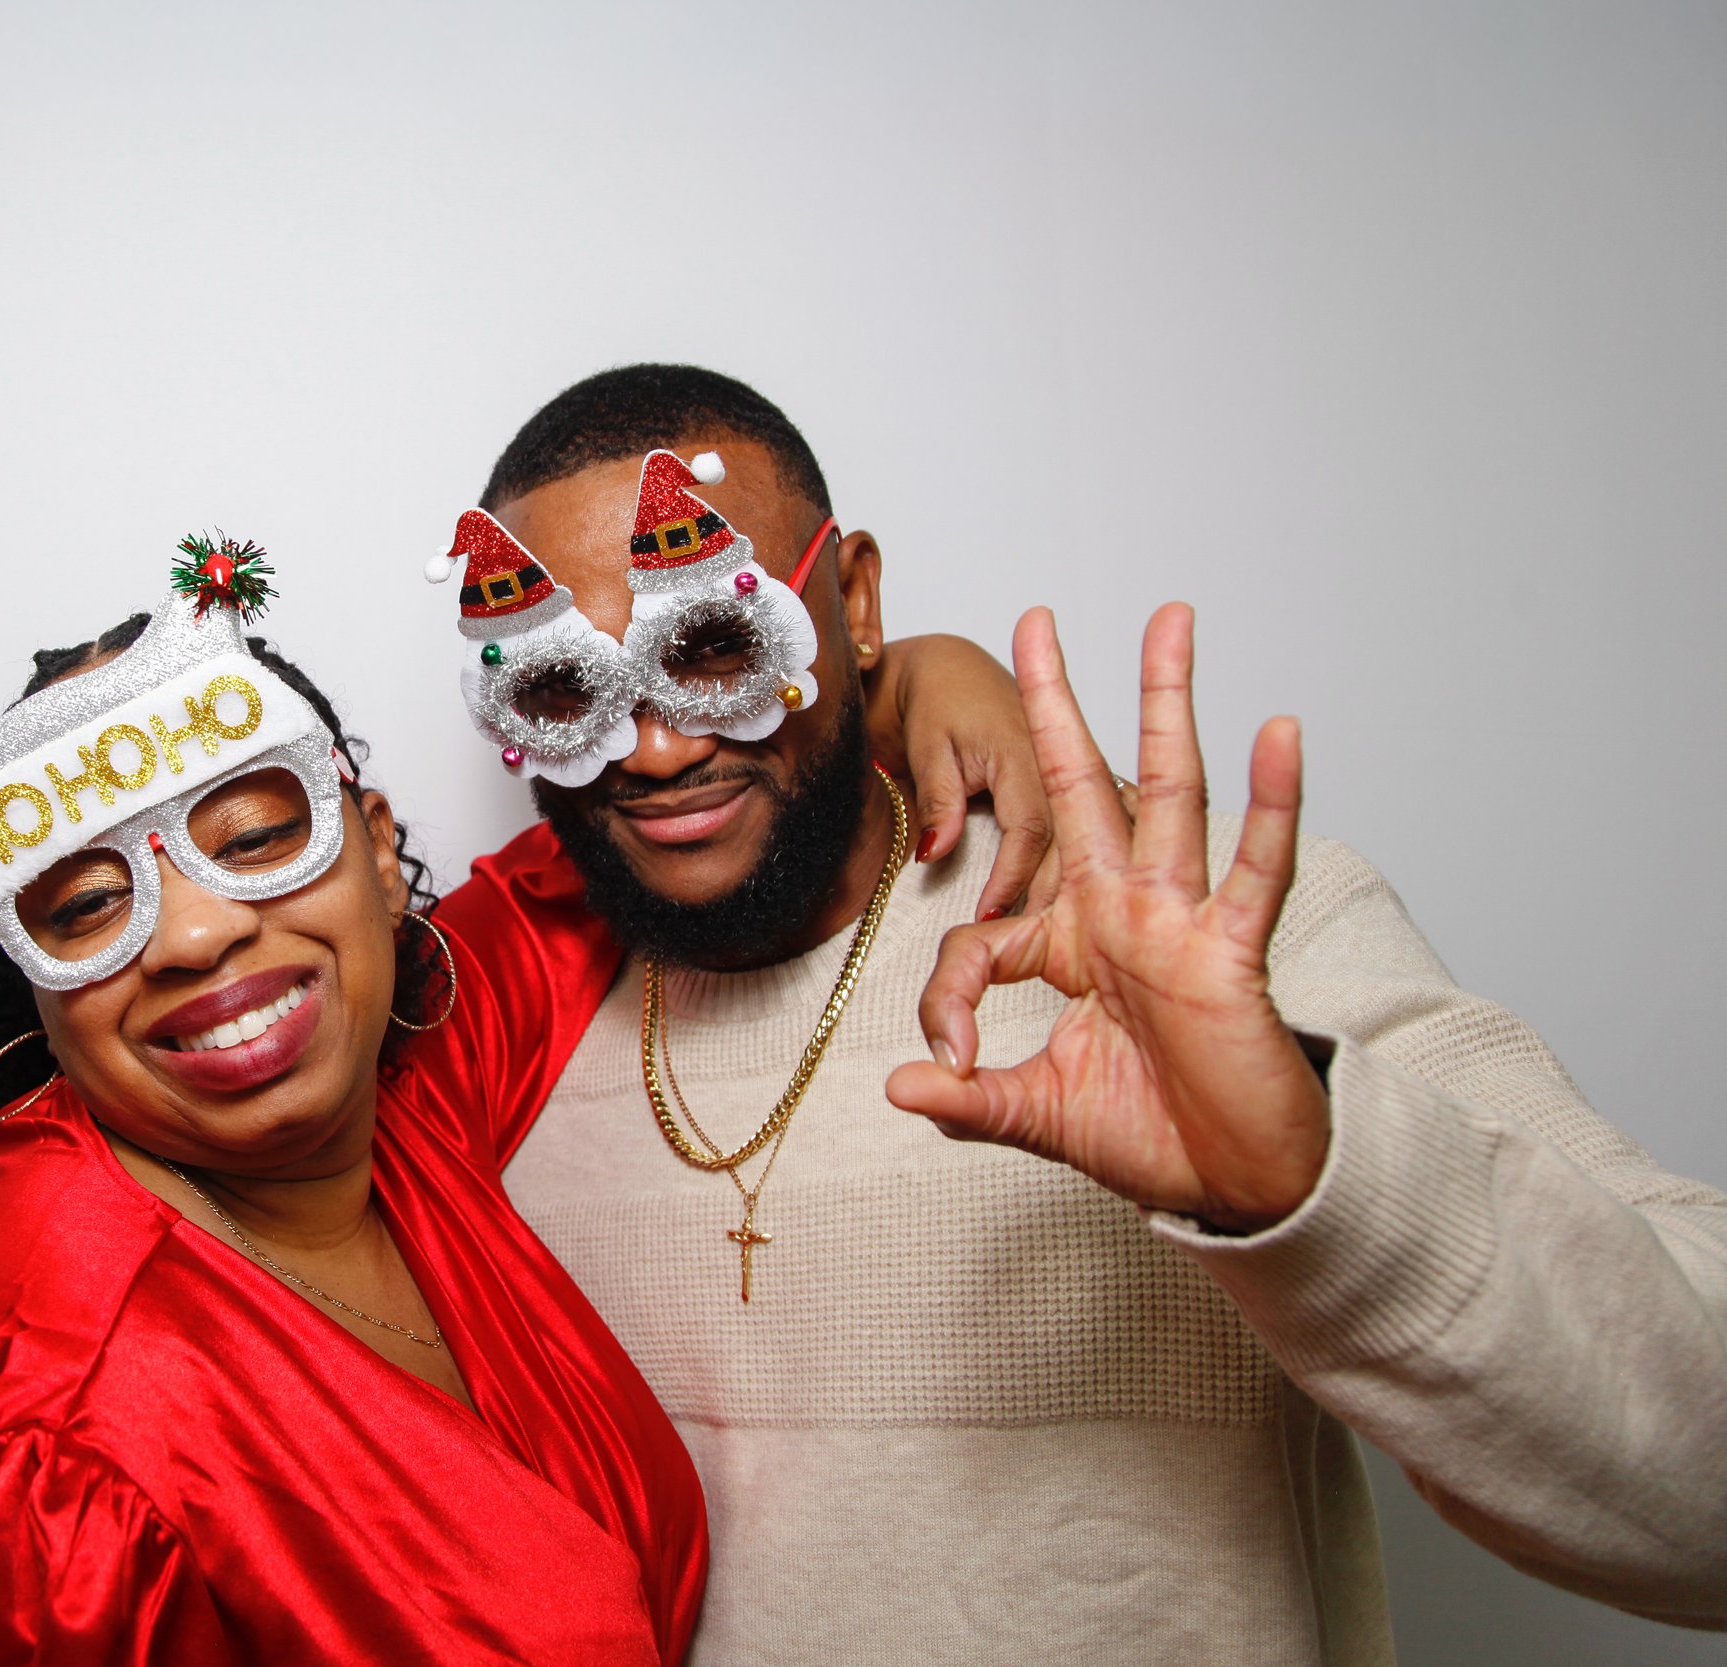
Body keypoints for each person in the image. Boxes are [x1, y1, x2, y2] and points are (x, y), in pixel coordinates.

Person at [443, 364, 1727, 1664]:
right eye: (562, 689)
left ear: (858, 602)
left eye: (714, 645)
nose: (652, 750)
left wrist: (1315, 1179)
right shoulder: (502, 1052)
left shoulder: (1190, 947)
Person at [0, 537, 1047, 1663]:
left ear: (371, 849)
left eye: (252, 839)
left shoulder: (409, 1083)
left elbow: (608, 856)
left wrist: (878, 682)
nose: (192, 937)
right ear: (37, 985)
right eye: (89, 906)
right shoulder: (11, 1460)